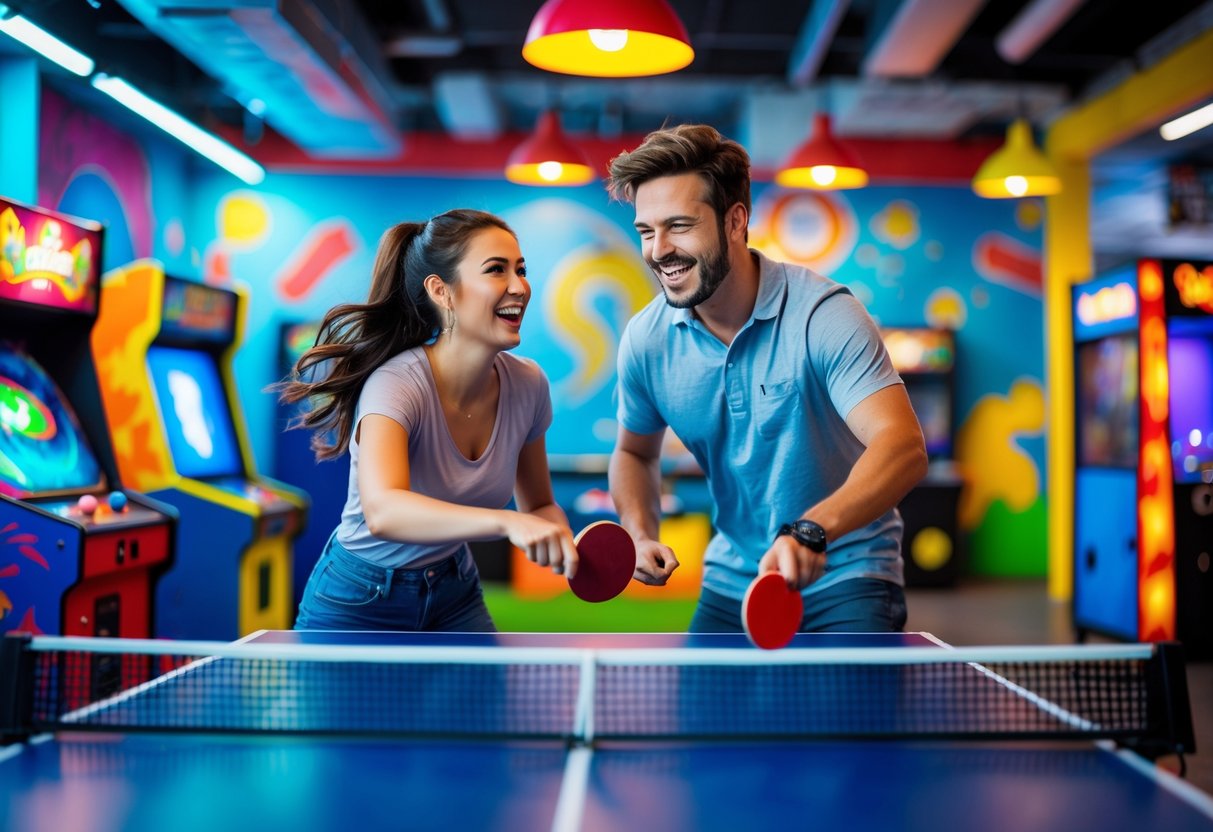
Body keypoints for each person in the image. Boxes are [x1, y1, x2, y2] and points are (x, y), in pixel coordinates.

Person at [604, 125, 928, 633]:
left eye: (679, 226)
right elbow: (635, 453)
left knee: (846, 716)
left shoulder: (823, 315)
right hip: (733, 575)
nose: (658, 250)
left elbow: (902, 446)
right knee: (700, 715)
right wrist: (640, 532)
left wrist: (812, 531)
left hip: (846, 571)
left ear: (735, 221)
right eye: (646, 231)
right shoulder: (646, 340)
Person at [278, 208, 578, 631]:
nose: (520, 287)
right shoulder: (396, 384)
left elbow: (541, 505)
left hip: (453, 588)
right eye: (496, 270)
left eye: (521, 269)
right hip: (359, 597)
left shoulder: (529, 385)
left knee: (485, 700)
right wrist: (508, 521)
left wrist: (564, 542)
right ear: (441, 291)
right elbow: (384, 511)